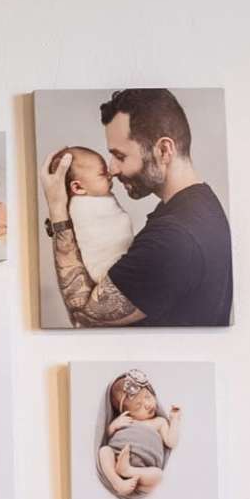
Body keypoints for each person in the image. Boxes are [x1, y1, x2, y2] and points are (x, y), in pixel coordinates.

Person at [43, 88, 232, 327]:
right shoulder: (197, 207)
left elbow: (83, 316)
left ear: (164, 150)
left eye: (120, 156)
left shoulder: (173, 238)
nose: (111, 169)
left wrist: (58, 209)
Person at [42, 145, 138, 283]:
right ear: (78, 187)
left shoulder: (94, 198)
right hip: (104, 269)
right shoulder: (79, 208)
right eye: (102, 173)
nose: (110, 174)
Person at [94, 370, 181, 499]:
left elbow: (171, 442)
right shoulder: (126, 420)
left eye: (147, 396)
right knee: (104, 451)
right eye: (138, 406)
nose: (147, 405)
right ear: (126, 412)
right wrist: (112, 427)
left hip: (141, 470)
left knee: (158, 475)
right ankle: (117, 481)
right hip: (118, 457)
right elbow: (107, 438)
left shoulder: (159, 422)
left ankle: (127, 470)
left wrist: (175, 419)